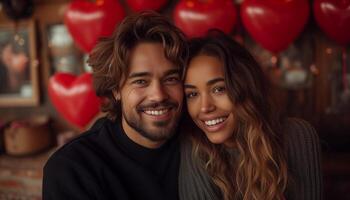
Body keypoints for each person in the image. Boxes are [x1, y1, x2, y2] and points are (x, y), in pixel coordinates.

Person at [43, 11, 187, 200]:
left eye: (171, 79)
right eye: (141, 81)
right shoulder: (72, 168)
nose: (158, 95)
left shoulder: (199, 147)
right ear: (115, 89)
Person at [179, 30, 322, 200]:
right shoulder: (195, 149)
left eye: (219, 89)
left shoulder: (297, 136)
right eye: (192, 94)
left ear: (245, 87)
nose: (204, 107)